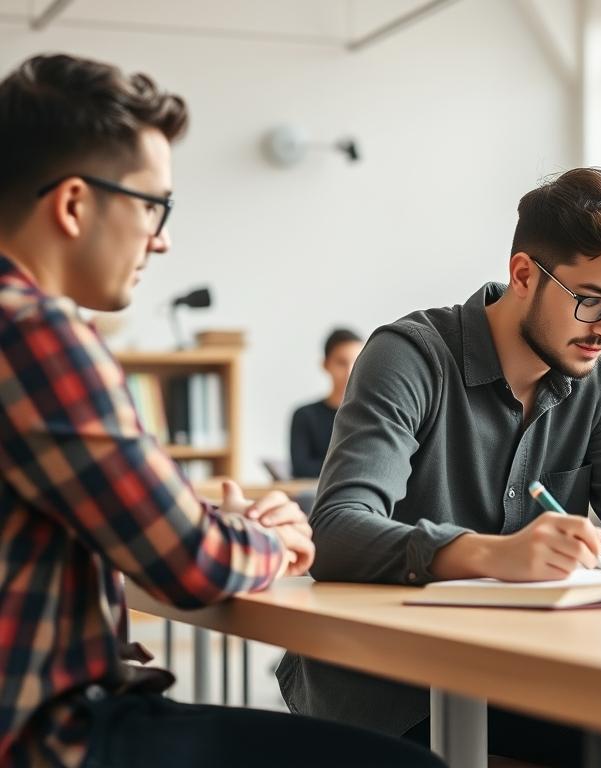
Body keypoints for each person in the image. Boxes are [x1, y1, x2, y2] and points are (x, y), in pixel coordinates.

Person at [0, 53, 439, 768]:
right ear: (75, 203)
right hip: (53, 738)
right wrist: (270, 538)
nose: (162, 237)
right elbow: (190, 566)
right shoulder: (36, 333)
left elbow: (139, 532)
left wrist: (219, 529)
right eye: (153, 205)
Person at [278, 167, 601, 767]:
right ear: (523, 276)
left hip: (521, 668)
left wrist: (581, 547)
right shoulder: (408, 357)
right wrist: (492, 554)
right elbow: (336, 529)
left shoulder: (593, 382)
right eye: (591, 301)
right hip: (391, 684)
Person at [289, 327, 363, 478]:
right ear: (325, 364)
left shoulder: (374, 413)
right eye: (341, 363)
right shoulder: (305, 415)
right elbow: (301, 468)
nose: (350, 371)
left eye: (357, 362)